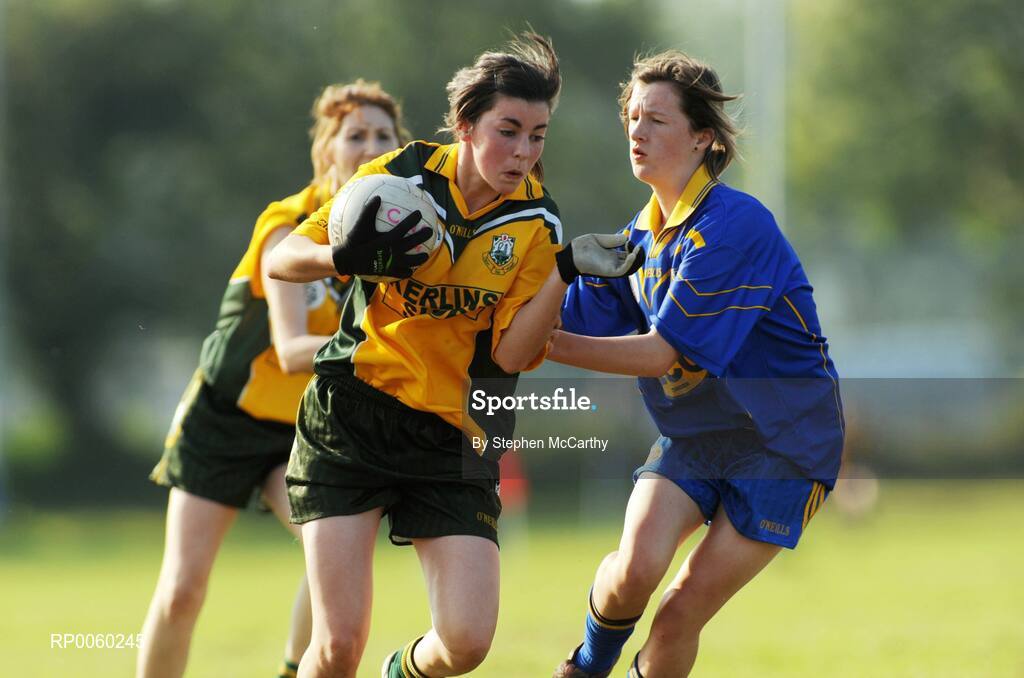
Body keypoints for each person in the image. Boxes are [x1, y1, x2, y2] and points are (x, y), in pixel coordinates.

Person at [266, 32, 642, 678]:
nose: (523, 152)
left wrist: (565, 271)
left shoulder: (537, 225)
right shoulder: (397, 178)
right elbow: (282, 259)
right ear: (465, 126)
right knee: (334, 648)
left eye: (538, 136)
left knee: (466, 642)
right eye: (509, 131)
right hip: (353, 414)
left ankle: (399, 673)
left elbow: (514, 355)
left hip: (458, 432)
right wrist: (343, 256)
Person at [543, 52, 845, 677]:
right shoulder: (639, 237)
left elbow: (658, 354)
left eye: (655, 119)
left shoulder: (733, 227)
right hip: (697, 436)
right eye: (631, 117)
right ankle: (585, 666)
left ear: (702, 137)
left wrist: (543, 345)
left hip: (787, 448)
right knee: (633, 569)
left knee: (680, 610)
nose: (636, 131)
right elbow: (560, 315)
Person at [139, 80, 408, 678]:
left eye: (382, 136)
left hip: (305, 431)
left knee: (333, 559)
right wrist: (388, 354)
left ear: (399, 149)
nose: (369, 145)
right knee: (183, 588)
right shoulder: (290, 228)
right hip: (226, 416)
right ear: (327, 151)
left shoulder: (398, 240)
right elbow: (290, 351)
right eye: (355, 134)